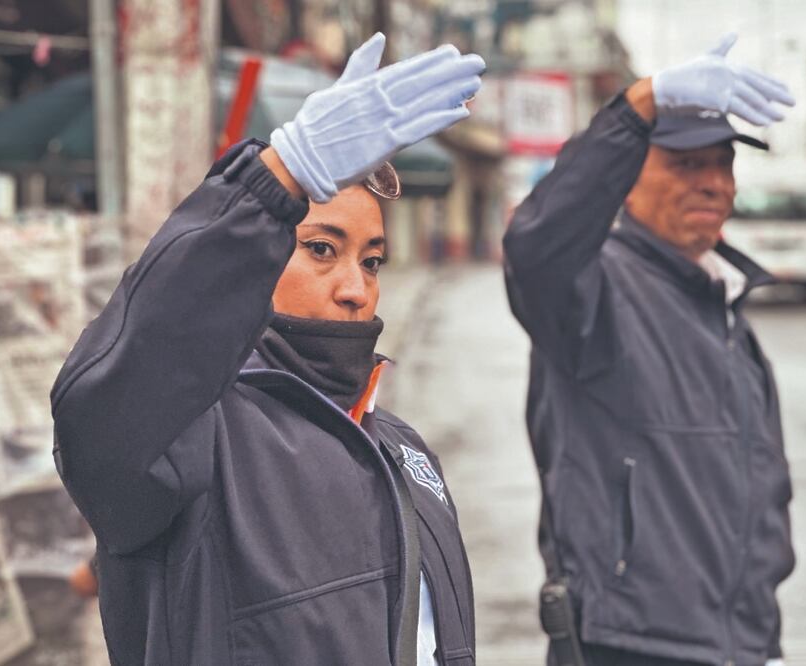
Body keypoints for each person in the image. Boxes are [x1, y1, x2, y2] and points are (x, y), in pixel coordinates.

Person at [51, 34, 484, 665]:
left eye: (372, 260)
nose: (355, 288)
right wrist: (278, 179)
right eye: (320, 249)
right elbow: (111, 393)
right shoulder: (189, 441)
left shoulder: (405, 453)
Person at [502, 35, 797, 666]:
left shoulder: (726, 309)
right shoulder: (593, 288)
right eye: (688, 165)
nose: (715, 184)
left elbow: (762, 493)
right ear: (626, 179)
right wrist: (640, 105)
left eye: (724, 165)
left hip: (740, 647)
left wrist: (761, 639)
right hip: (627, 644)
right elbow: (538, 245)